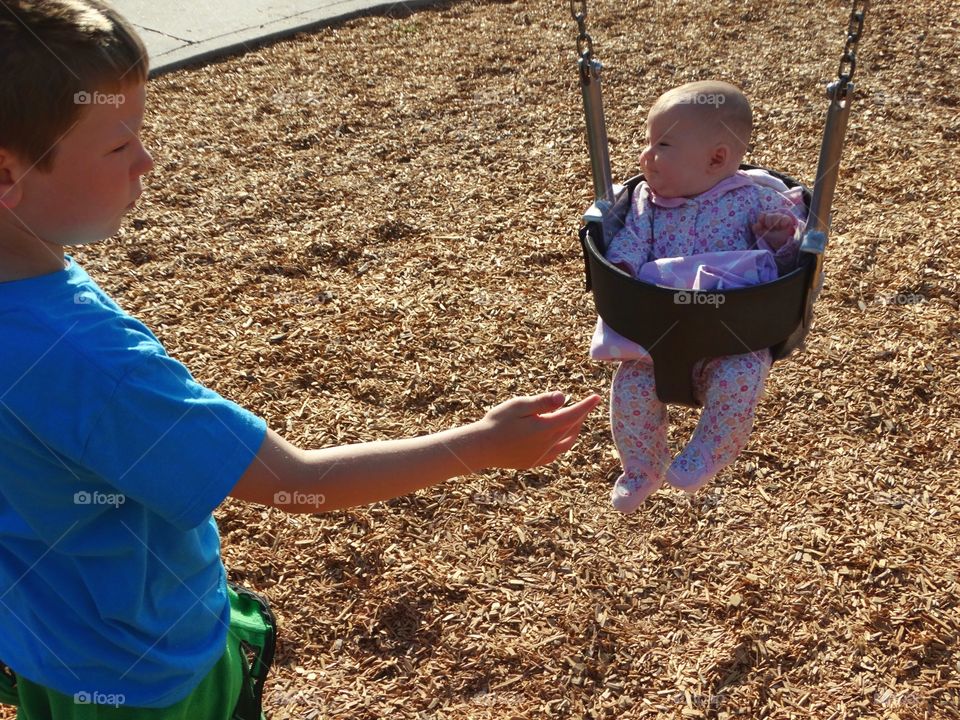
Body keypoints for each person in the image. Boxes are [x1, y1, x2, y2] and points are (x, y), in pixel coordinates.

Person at [0, 1, 601, 717]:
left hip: (45, 636)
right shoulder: (94, 366)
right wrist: (481, 445)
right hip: (143, 673)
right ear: (8, 173)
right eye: (118, 146)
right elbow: (297, 483)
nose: (148, 162)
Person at [589, 80, 806, 514]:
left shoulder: (754, 199)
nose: (646, 156)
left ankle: (708, 452)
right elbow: (629, 240)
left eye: (662, 145)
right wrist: (625, 267)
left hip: (733, 335)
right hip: (656, 334)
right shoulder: (644, 203)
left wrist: (780, 237)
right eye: (647, 142)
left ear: (717, 158)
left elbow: (784, 260)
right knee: (630, 393)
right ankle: (640, 468)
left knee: (740, 382)